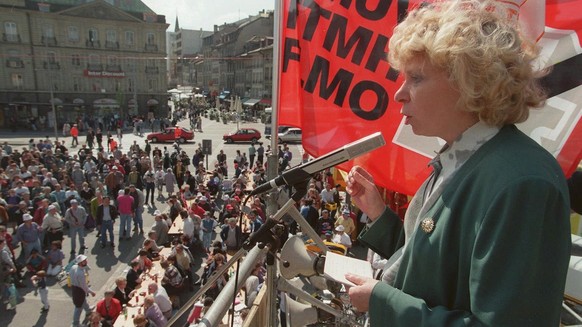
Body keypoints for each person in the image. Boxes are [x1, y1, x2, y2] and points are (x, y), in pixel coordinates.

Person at [344, 1, 571, 326]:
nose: (399, 95)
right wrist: (380, 215)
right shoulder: (465, 160)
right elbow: (429, 265)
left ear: (472, 82)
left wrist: (382, 301)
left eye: (417, 78)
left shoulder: (522, 182)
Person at [70, 255, 95, 327]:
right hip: (79, 290)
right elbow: (84, 286)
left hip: (74, 287)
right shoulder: (80, 273)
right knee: (78, 307)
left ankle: (88, 310)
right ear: (80, 263)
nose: (86, 261)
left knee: (83, 300)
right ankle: (75, 323)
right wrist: (91, 292)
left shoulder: (74, 267)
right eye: (84, 261)